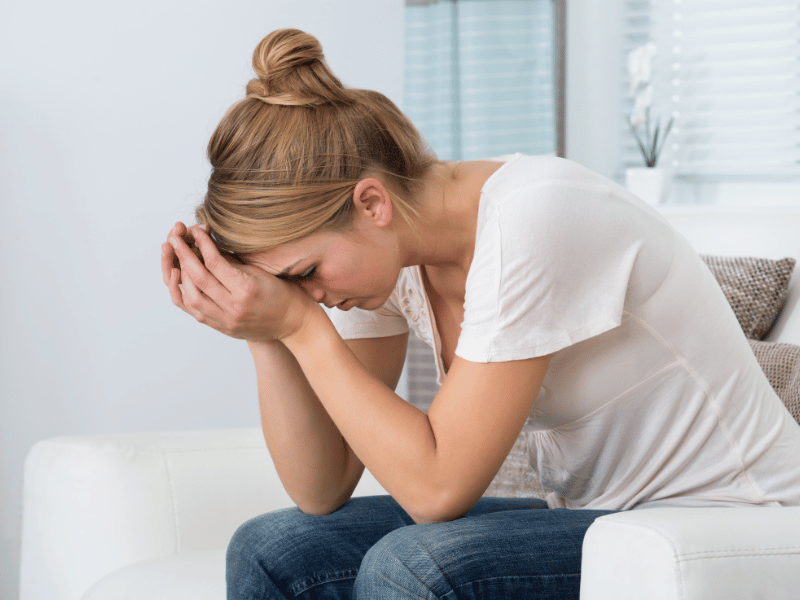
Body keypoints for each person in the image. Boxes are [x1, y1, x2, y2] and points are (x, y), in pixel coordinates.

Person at [161, 28, 800, 600]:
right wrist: (262, 330)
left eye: (304, 275)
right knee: (274, 550)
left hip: (731, 520)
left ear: (372, 202)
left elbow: (437, 490)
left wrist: (300, 329)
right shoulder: (380, 256)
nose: (311, 295)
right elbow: (321, 487)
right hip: (602, 518)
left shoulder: (533, 214)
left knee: (417, 566)